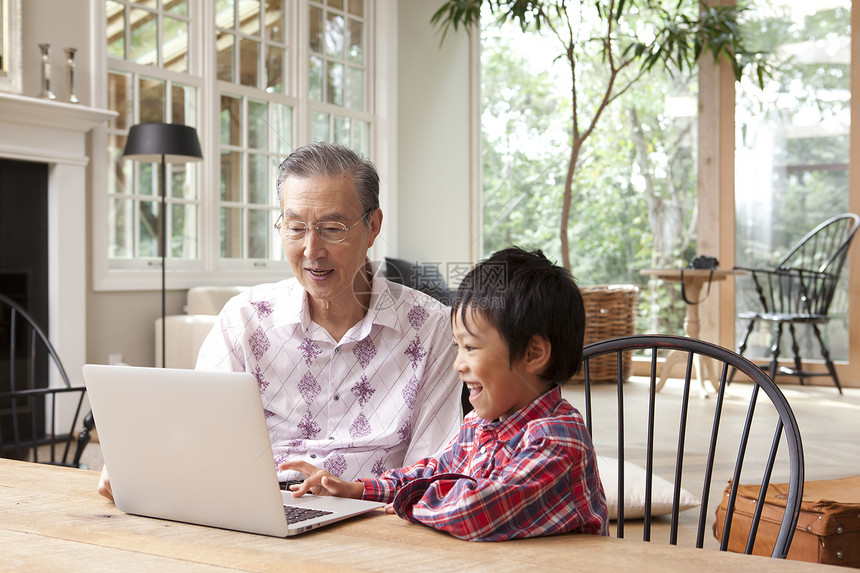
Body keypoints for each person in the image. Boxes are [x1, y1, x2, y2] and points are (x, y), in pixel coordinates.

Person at [98, 142, 462, 501]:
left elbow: (432, 469)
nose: (311, 250)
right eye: (295, 227)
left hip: (373, 513)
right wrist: (141, 463)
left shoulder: (430, 328)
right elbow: (204, 437)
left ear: (373, 226)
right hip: (263, 507)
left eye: (332, 228)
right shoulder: (244, 320)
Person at [282, 247, 608, 541]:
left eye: (471, 347)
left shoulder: (558, 438)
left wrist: (407, 502)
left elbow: (476, 511)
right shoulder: (478, 426)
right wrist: (358, 489)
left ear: (534, 354)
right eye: (457, 347)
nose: (458, 365)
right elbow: (428, 472)